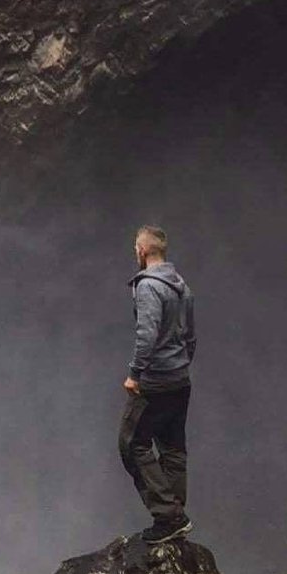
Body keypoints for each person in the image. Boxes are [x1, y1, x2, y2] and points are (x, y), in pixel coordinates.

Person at [118, 225, 196, 543]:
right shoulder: (182, 287)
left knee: (132, 444)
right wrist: (181, 364)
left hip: (156, 381)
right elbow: (190, 337)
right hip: (180, 379)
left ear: (142, 250)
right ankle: (175, 517)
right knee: (173, 448)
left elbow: (146, 334)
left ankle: (168, 516)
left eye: (135, 247)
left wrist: (136, 373)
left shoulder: (149, 286)